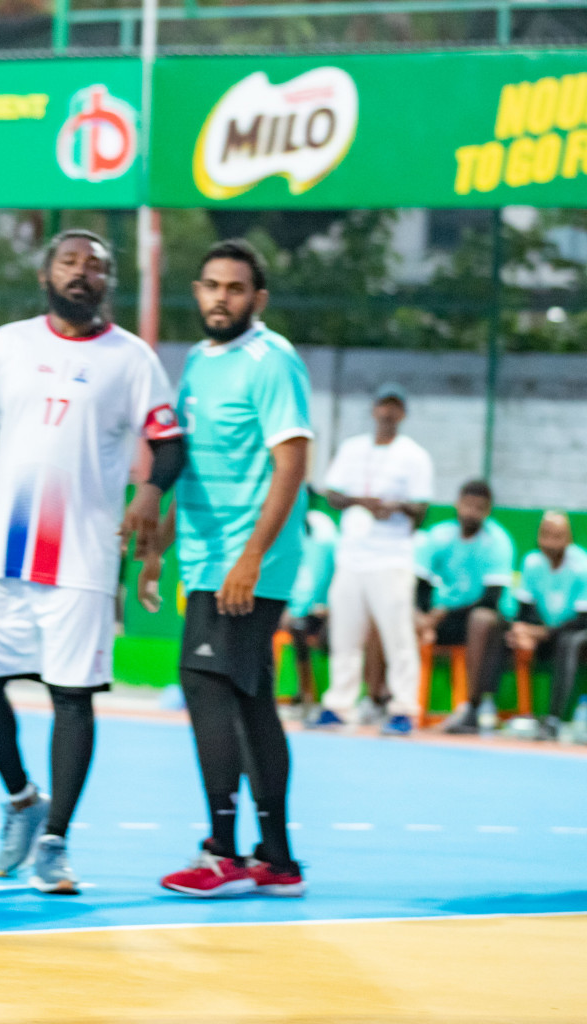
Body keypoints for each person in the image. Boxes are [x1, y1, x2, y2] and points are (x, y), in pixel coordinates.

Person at [0, 228, 184, 895]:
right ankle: (22, 799)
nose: (81, 274)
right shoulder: (8, 344)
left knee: (71, 699)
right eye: (69, 263)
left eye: (95, 267)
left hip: (81, 558)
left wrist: (151, 494)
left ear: (109, 282)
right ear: (46, 274)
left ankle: (55, 843)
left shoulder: (133, 360)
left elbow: (169, 446)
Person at [151, 239, 310, 899]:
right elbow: (187, 459)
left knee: (205, 684)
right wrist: (159, 543)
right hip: (205, 558)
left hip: (244, 562)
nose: (222, 297)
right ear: (198, 290)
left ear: (258, 298)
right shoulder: (198, 361)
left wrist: (250, 559)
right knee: (247, 702)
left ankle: (224, 851)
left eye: (236, 288)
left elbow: (292, 462)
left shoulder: (272, 360)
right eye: (212, 285)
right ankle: (276, 858)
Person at [314, 384, 433, 736]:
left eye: (395, 407)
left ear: (403, 414)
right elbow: (332, 494)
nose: (387, 412)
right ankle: (338, 705)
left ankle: (403, 709)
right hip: (352, 556)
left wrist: (395, 506)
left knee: (398, 636)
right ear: (374, 410)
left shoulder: (414, 456)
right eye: (383, 405)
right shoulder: (352, 449)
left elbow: (421, 508)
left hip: (391, 557)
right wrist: (360, 502)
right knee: (344, 636)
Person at [417, 480, 516, 735]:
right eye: (468, 505)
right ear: (457, 504)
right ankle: (387, 701)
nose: (472, 512)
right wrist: (421, 618)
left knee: (481, 619)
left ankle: (472, 708)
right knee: (396, 611)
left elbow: (491, 599)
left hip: (488, 621)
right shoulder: (438, 536)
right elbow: (420, 586)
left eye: (479, 507)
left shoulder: (498, 542)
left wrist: (441, 614)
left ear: (488, 510)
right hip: (441, 618)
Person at [489, 513, 587, 741]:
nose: (551, 542)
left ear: (569, 538)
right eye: (546, 535)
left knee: (569, 641)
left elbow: (583, 618)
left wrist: (542, 633)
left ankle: (554, 719)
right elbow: (525, 610)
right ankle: (485, 709)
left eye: (558, 536)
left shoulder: (582, 566)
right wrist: (523, 631)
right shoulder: (532, 562)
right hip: (546, 634)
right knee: (502, 633)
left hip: (576, 635)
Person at [281, 508, 337, 714]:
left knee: (299, 626)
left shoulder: (321, 533)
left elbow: (314, 581)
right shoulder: (287, 537)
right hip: (291, 608)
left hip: (321, 612)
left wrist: (296, 610)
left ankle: (307, 698)